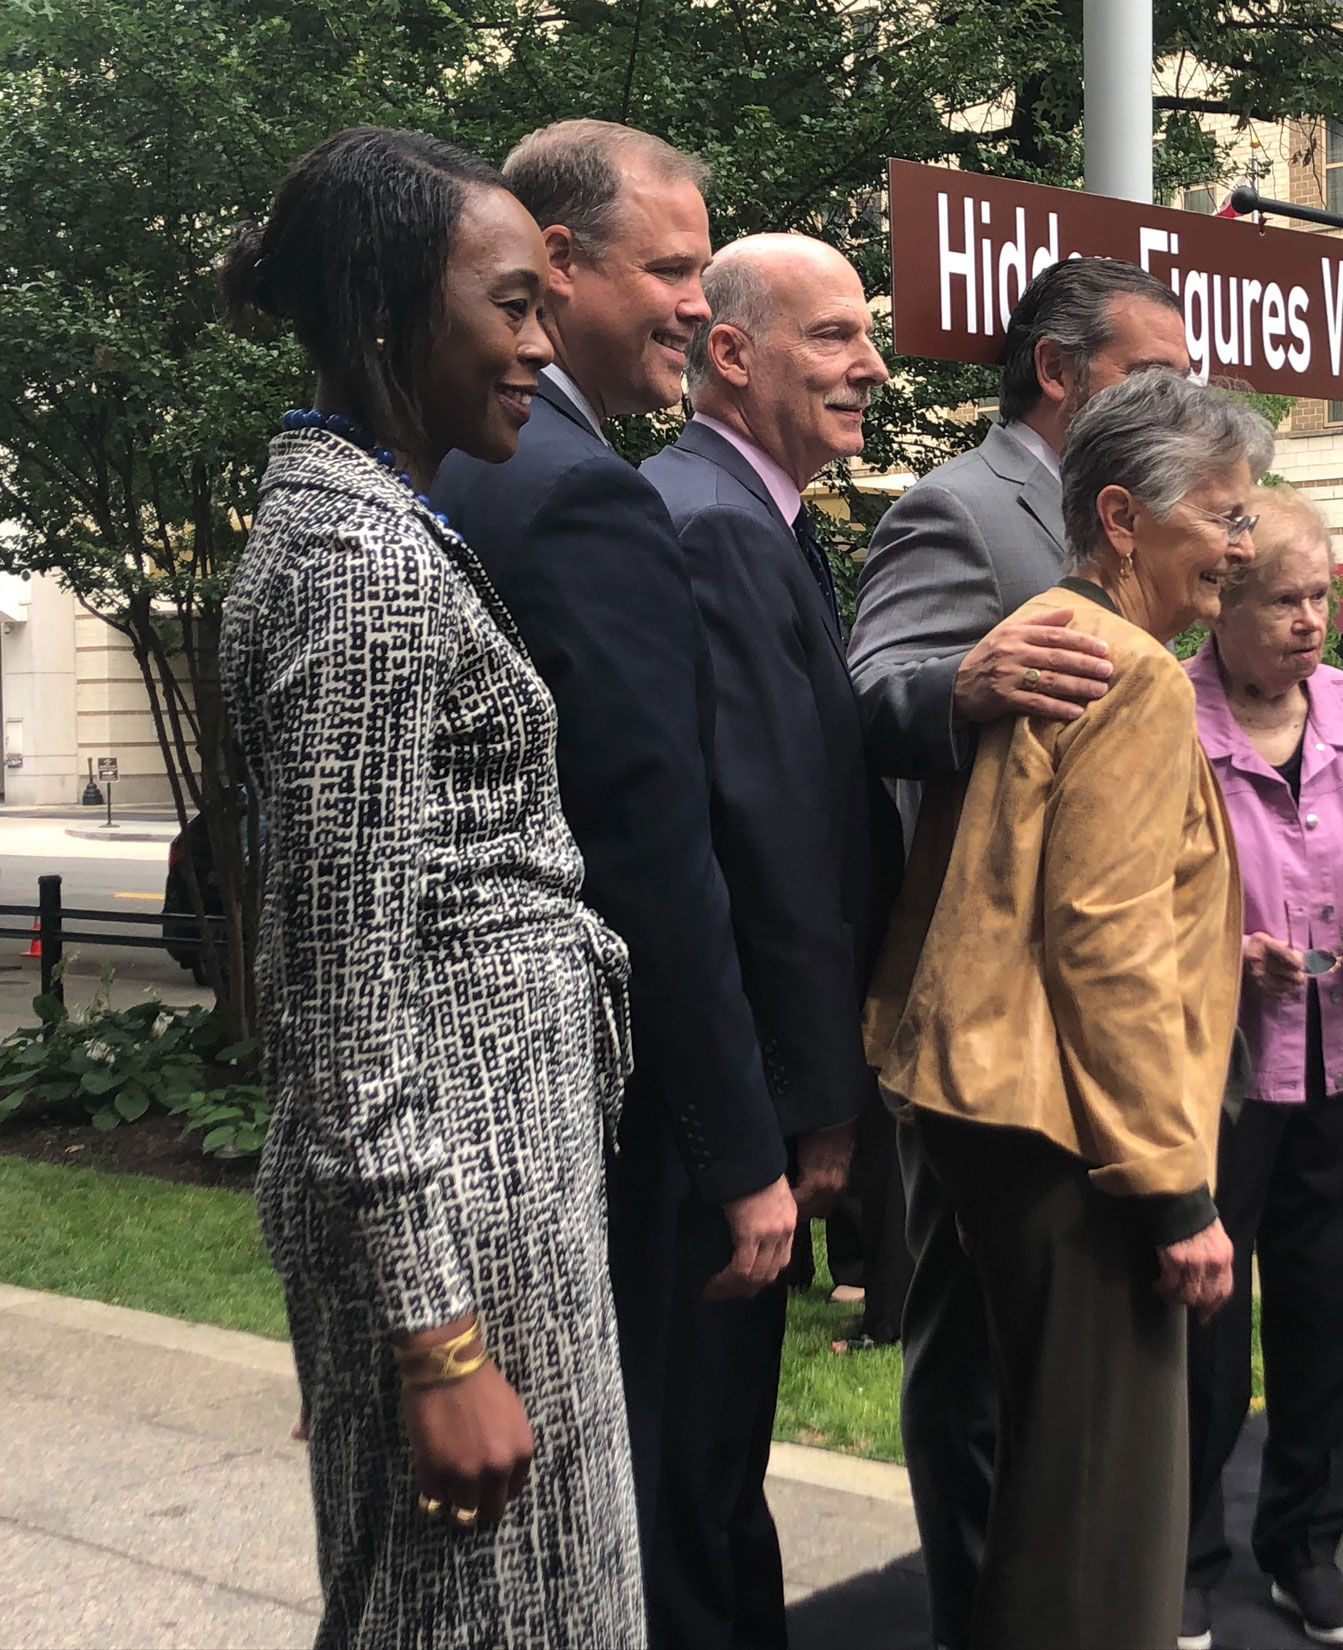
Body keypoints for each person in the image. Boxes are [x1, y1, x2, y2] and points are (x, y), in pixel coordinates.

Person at [219, 127, 644, 1641]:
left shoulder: (375, 526)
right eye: (512, 303)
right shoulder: (362, 567)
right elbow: (339, 980)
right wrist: (429, 1336)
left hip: (486, 1181)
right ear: (394, 310)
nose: (542, 340)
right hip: (465, 1197)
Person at [427, 118, 808, 1649]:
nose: (692, 308)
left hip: (497, 1116)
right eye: (667, 269)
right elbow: (659, 851)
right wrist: (743, 1148)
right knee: (653, 1507)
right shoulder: (580, 492)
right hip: (620, 1117)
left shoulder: (456, 466)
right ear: (559, 261)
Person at [865, 371, 1266, 1650]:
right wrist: (1174, 1193)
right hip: (1078, 1149)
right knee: (1103, 1519)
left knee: (1045, 1492)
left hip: (997, 1119)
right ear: (1121, 517)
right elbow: (1106, 945)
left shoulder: (1045, 635)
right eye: (1222, 515)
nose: (1241, 547)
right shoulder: (1133, 675)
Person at [640, 231, 906, 1635]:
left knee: (714, 1457)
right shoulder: (714, 525)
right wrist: (812, 1113)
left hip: (732, 1093)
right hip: (725, 1108)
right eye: (834, 335)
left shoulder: (762, 517)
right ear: (730, 355)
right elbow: (772, 846)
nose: (871, 363)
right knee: (696, 1466)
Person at [1178, 487, 1343, 1649]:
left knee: (1328, 1314)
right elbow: (1127, 894)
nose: (1309, 621)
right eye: (1282, 598)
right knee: (1198, 1323)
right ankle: (1184, 1548)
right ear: (1220, 604)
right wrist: (1219, 952)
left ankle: (1304, 1544)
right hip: (1219, 1076)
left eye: (1320, 596)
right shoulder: (1166, 720)